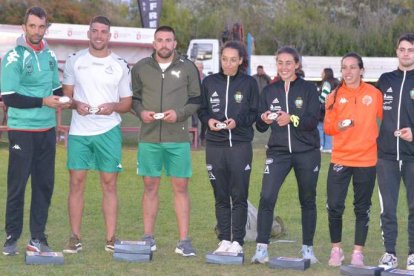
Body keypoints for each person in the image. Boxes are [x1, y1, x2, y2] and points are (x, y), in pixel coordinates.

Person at [61, 16, 132, 253]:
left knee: (109, 184)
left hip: (109, 131)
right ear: (88, 33)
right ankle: (74, 237)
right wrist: (75, 104)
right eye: (95, 31)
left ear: (109, 35)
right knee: (76, 182)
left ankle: (111, 238)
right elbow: (67, 97)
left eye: (103, 32)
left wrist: (111, 106)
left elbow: (126, 102)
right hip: (80, 131)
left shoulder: (120, 64)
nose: (99, 35)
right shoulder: (75, 60)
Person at [131, 25, 201, 257]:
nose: (164, 44)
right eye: (160, 40)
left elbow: (196, 100)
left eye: (168, 40)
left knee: (180, 187)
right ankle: (148, 237)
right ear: (154, 43)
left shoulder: (188, 67)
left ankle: (184, 241)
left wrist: (179, 114)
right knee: (150, 186)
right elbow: (134, 99)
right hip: (149, 137)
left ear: (175, 43)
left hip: (177, 138)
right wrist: (140, 112)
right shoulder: (141, 68)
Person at [1, 6, 64, 255]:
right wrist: (42, 101)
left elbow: (56, 91)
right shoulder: (14, 56)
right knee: (17, 185)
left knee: (44, 185)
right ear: (24, 27)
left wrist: (70, 100)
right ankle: (11, 237)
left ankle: (37, 237)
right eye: (32, 26)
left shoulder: (49, 56)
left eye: (41, 27)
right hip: (22, 131)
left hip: (47, 129)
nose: (37, 31)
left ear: (46, 28)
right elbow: (10, 97)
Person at [251, 46, 321, 264]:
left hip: (307, 152)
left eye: (288, 63)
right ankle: (261, 249)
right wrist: (263, 119)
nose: (284, 67)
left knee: (307, 199)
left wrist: (291, 118)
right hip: (278, 152)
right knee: (267, 196)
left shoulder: (308, 89)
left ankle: (307, 249)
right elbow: (261, 127)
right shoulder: (269, 90)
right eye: (280, 63)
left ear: (297, 65)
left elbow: (312, 120)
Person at [198, 41, 259, 254]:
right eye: (225, 59)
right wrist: (209, 122)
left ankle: (238, 242)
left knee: (239, 195)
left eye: (233, 59)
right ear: (220, 59)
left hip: (240, 146)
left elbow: (254, 113)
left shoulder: (249, 83)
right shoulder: (209, 82)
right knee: (221, 195)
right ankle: (224, 239)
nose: (228, 63)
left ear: (241, 60)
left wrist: (238, 121)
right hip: (215, 147)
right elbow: (202, 110)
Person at [324, 52, 383, 266]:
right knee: (334, 206)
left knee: (362, 207)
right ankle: (336, 249)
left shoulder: (374, 94)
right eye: (344, 68)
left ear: (361, 70)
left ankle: (358, 252)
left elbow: (387, 120)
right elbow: (328, 128)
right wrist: (338, 126)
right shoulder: (333, 96)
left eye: (352, 67)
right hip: (341, 158)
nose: (348, 72)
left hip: (367, 160)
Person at [376, 33, 414, 270]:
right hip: (387, 156)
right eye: (402, 49)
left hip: (413, 157)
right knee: (387, 208)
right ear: (396, 51)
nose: (406, 53)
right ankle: (389, 252)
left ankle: (413, 254)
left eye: (410, 49)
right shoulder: (385, 79)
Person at [318, 68, 339, 153]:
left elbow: (323, 96)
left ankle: (320, 145)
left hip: (324, 109)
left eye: (322, 73)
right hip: (333, 108)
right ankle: (329, 146)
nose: (321, 74)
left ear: (326, 73)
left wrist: (316, 100)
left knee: (320, 127)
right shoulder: (336, 82)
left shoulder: (326, 83)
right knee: (329, 128)